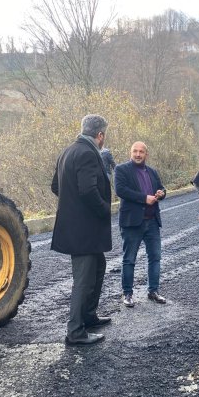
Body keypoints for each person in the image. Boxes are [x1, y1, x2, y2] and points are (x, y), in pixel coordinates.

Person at [51, 114, 113, 346]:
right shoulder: (88, 153)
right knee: (84, 279)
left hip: (80, 229)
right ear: (100, 135)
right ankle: (75, 332)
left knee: (99, 267)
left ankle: (89, 316)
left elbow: (55, 186)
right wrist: (104, 209)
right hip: (85, 230)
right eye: (104, 135)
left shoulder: (67, 152)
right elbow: (88, 191)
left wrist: (72, 204)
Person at [114, 141, 167, 307]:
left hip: (152, 222)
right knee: (129, 259)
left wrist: (161, 193)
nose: (138, 154)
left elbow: (162, 188)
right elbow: (121, 190)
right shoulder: (121, 170)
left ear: (146, 154)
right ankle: (128, 294)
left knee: (155, 258)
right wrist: (144, 198)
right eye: (135, 151)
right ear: (131, 153)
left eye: (141, 152)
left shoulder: (152, 171)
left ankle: (153, 291)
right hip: (132, 223)